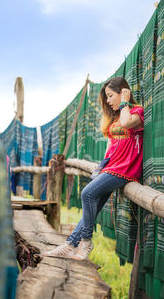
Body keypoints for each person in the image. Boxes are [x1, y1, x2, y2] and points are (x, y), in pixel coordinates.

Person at [43, 77, 144, 261]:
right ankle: (70, 244)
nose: (107, 100)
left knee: (87, 194)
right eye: (106, 97)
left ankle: (86, 241)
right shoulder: (116, 118)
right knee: (94, 206)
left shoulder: (136, 112)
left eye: (110, 95)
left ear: (123, 92)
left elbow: (128, 123)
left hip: (125, 170)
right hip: (110, 168)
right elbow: (112, 144)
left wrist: (124, 103)